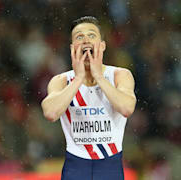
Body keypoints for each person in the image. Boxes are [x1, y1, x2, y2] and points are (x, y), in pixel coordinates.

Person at [41, 16, 136, 180]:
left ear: (103, 45)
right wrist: (78, 78)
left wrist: (99, 76)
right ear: (72, 48)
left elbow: (126, 108)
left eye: (91, 35)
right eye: (79, 36)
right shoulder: (61, 81)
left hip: (110, 164)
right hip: (76, 164)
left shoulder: (120, 75)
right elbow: (51, 113)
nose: (85, 39)